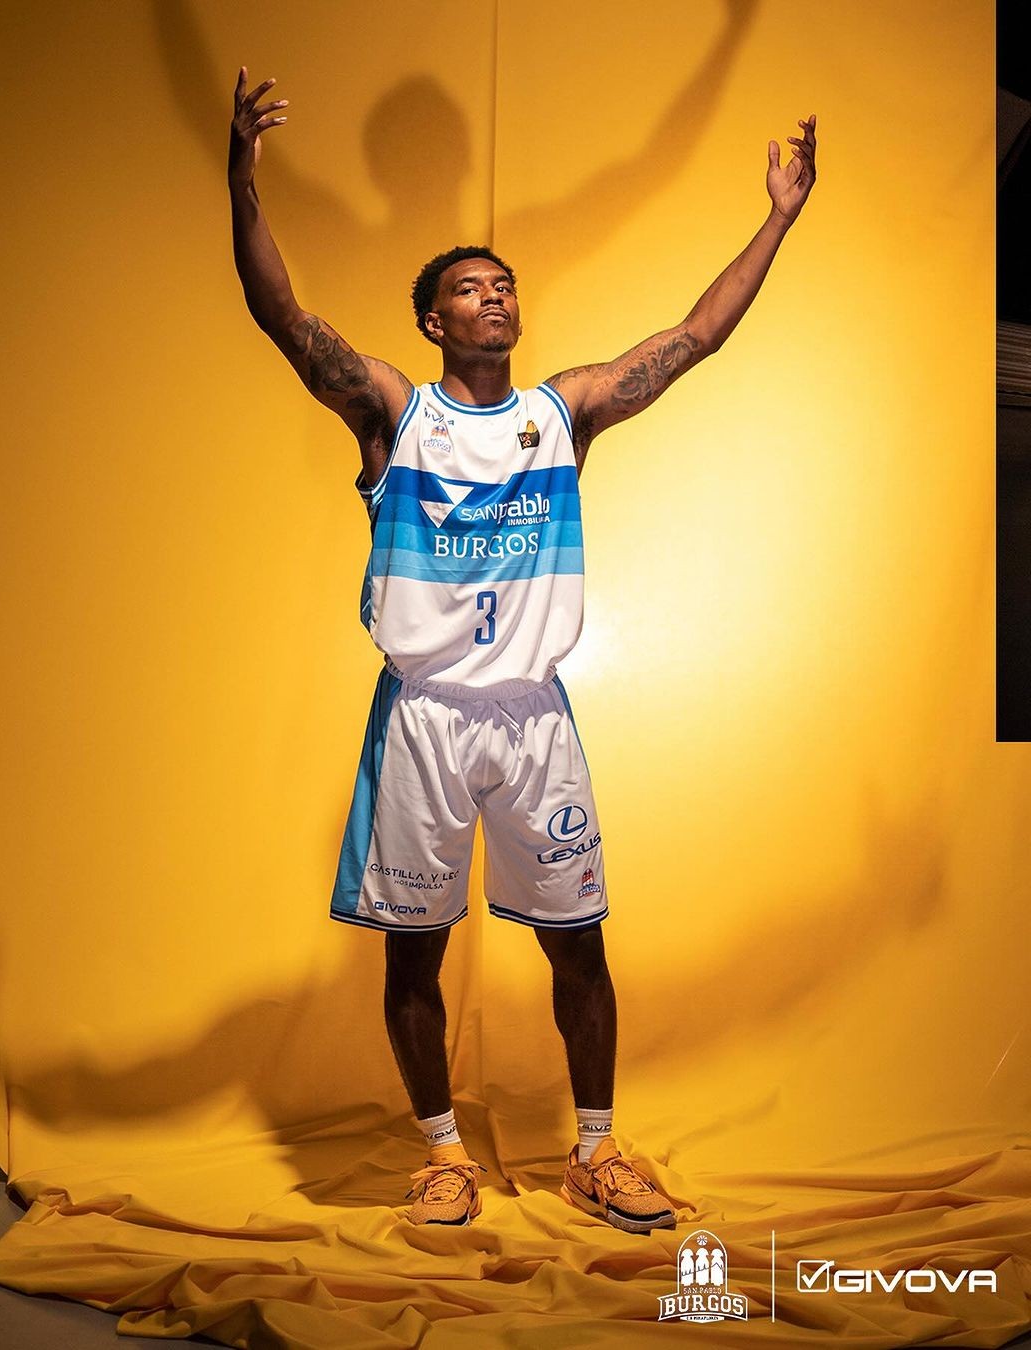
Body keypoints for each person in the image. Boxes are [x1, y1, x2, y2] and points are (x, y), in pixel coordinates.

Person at [228, 65, 817, 1232]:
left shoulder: (562, 412)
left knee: (578, 943)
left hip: (534, 716)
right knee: (414, 957)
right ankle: (443, 1155)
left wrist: (779, 219)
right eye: (469, 288)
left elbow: (695, 337)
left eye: (503, 285)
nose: (493, 298)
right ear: (433, 321)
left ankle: (595, 1153)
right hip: (425, 718)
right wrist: (243, 185)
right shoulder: (396, 413)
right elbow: (287, 320)